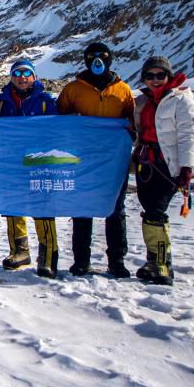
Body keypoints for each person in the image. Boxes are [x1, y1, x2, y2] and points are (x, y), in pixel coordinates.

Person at [57, 42, 135, 278]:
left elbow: (132, 122)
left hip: (114, 160)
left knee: (116, 209)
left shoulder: (123, 90)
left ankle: (117, 260)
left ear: (109, 60)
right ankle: (81, 260)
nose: (97, 62)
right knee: (83, 207)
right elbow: (58, 119)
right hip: (82, 159)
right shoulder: (73, 90)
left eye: (102, 58)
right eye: (92, 58)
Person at [133, 56, 194, 286]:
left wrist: (186, 167)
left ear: (168, 76)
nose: (155, 80)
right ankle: (155, 261)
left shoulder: (182, 101)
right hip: (146, 162)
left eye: (160, 75)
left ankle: (162, 265)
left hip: (168, 163)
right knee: (149, 209)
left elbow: (189, 136)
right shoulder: (142, 101)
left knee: (156, 210)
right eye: (150, 76)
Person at [0, 59, 60, 278]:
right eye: (18, 73)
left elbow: (57, 129)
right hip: (12, 162)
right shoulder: (2, 102)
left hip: (39, 162)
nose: (22, 78)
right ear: (11, 77)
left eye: (26, 74)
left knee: (42, 207)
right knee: (13, 206)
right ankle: (19, 250)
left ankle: (48, 255)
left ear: (34, 77)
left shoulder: (44, 101)